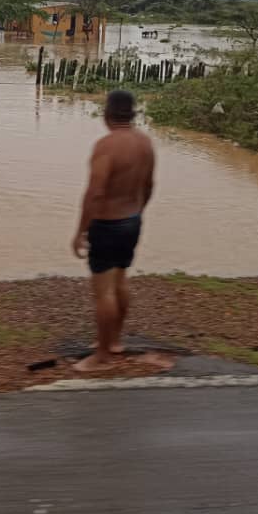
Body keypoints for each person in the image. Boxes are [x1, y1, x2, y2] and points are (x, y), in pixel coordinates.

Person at [70, 90, 162, 372]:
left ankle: (101, 357)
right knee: (120, 281)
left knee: (104, 292)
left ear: (107, 115)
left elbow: (95, 193)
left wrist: (80, 231)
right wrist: (137, 213)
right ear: (132, 115)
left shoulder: (106, 146)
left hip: (108, 224)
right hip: (132, 220)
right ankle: (114, 341)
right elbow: (148, 186)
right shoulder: (145, 143)